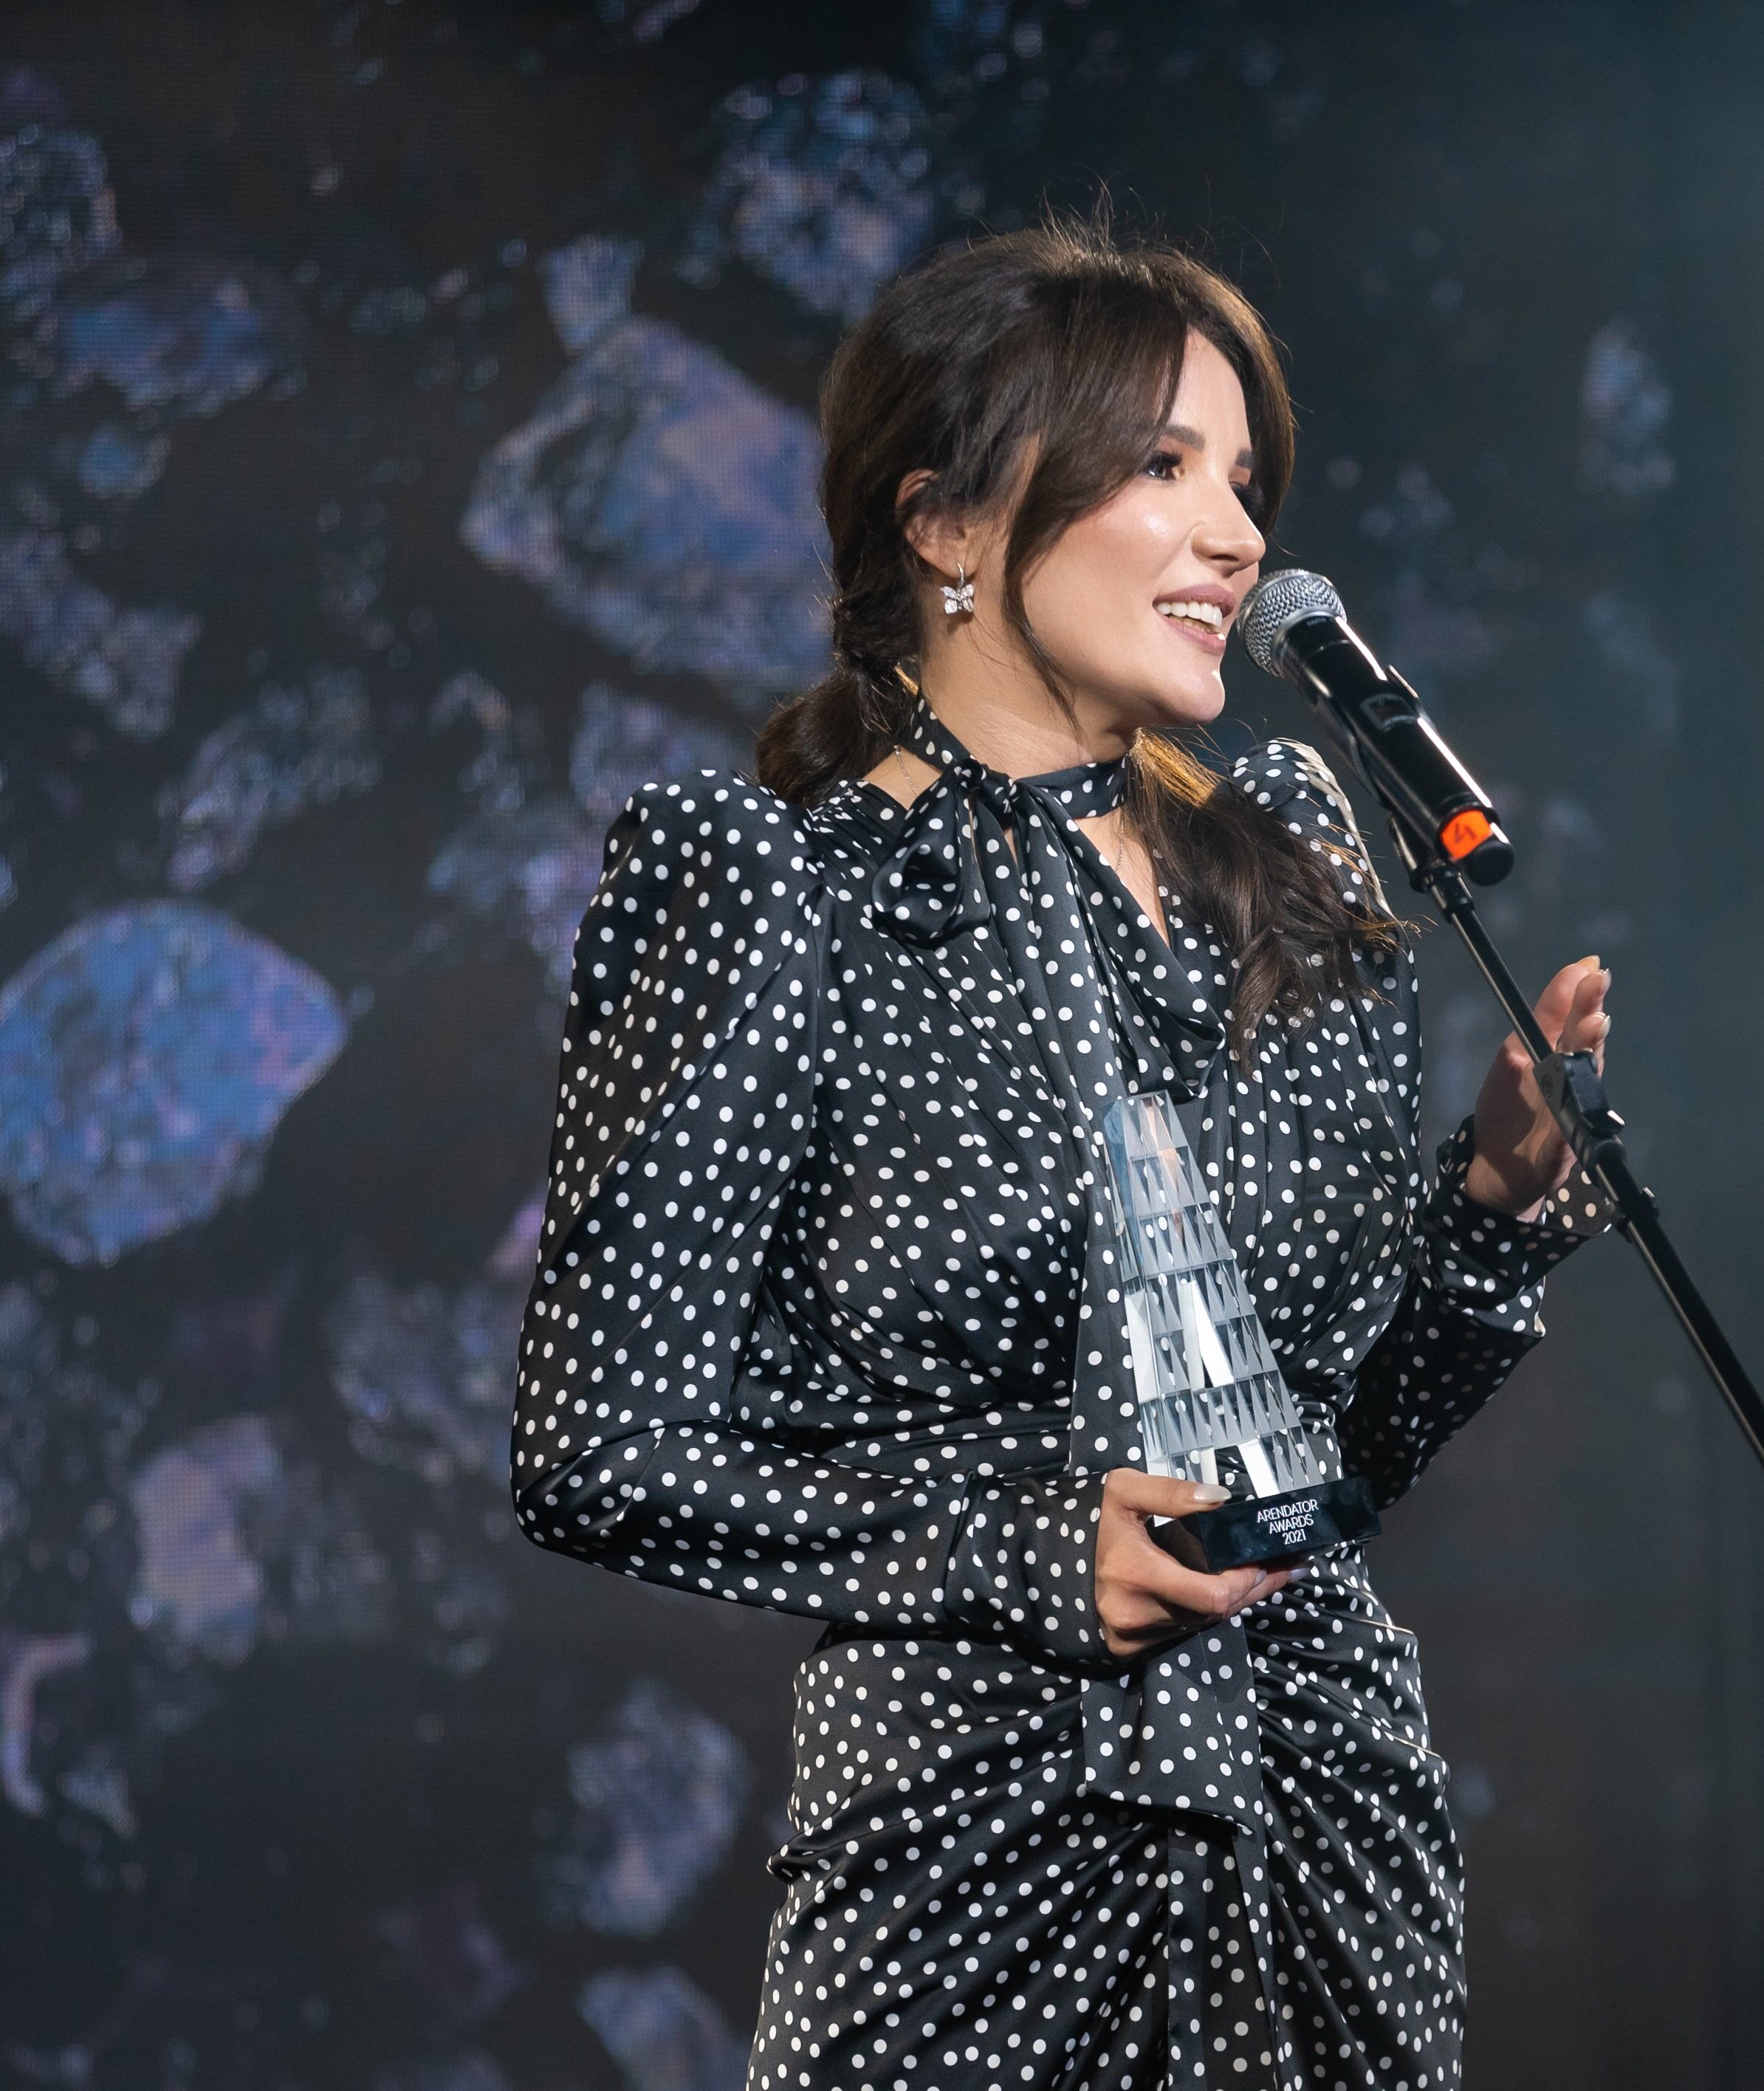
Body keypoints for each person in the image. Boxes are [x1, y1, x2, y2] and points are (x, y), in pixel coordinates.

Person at [509, 218, 1613, 2090]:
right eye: (1163, 466)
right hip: (973, 1852)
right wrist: (1021, 1549)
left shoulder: (1286, 862)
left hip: (1325, 1832)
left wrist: (1491, 1217)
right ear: (946, 522)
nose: (1236, 537)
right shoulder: (774, 890)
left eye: (1243, 481)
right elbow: (595, 1454)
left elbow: (1335, 1462)